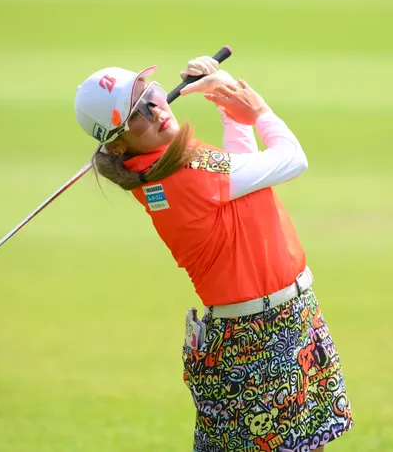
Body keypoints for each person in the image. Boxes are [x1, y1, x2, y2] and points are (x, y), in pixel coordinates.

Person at [74, 55, 353, 451]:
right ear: (118, 143)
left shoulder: (162, 166)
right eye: (137, 113)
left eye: (151, 94)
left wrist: (228, 105)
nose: (157, 110)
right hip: (259, 334)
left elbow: (245, 176)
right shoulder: (185, 172)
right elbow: (293, 159)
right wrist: (259, 110)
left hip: (280, 319)